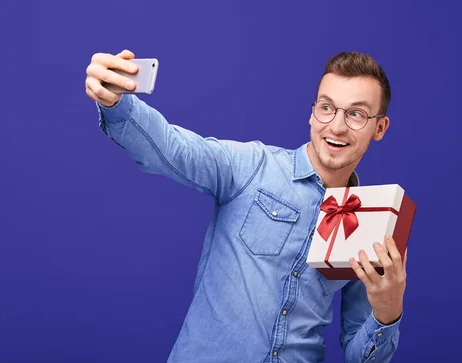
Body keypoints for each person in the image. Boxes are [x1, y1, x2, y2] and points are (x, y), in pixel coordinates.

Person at [84, 49, 408, 363]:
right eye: (327, 108)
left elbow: (359, 355)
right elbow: (173, 149)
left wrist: (387, 312)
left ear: (379, 127)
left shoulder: (375, 222)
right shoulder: (251, 166)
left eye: (356, 114)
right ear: (312, 112)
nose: (336, 126)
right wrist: (117, 103)